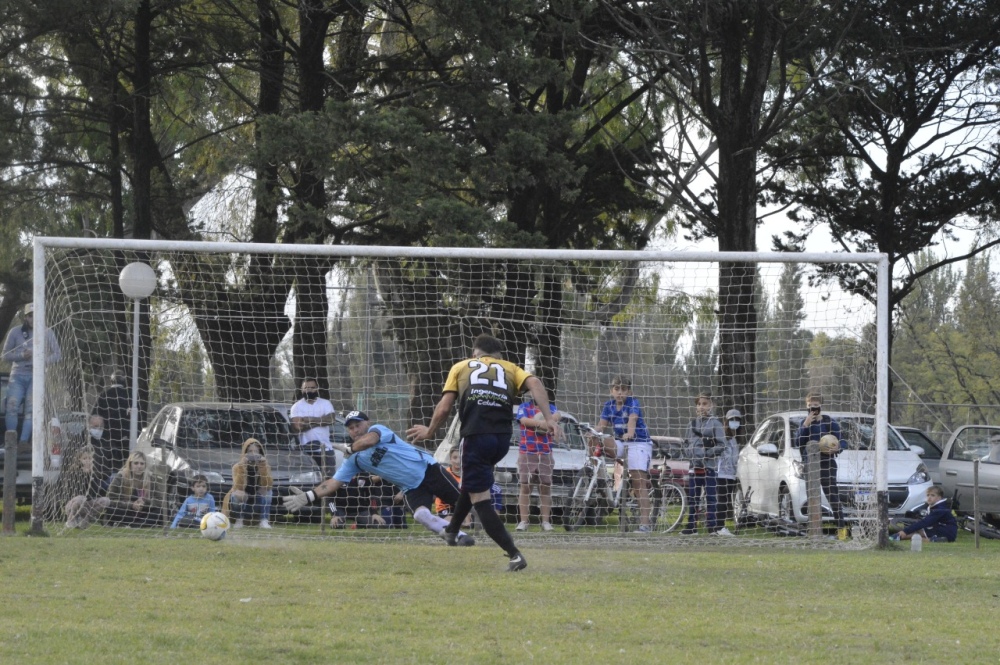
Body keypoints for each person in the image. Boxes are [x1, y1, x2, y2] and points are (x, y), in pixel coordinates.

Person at [406, 333, 561, 572]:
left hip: (476, 436)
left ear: (475, 354)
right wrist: (549, 418)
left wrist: (430, 431)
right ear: (499, 356)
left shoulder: (461, 367)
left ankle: (514, 554)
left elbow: (445, 406)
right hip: (501, 441)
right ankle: (452, 531)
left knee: (481, 500)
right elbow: (536, 384)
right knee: (471, 484)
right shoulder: (511, 368)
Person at [282, 411, 475, 544]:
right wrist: (308, 496)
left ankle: (494, 532)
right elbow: (333, 483)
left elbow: (370, 441)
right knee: (420, 515)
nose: (355, 430)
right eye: (351, 428)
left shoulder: (380, 431)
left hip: (429, 470)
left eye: (358, 425)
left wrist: (350, 448)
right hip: (411, 488)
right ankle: (458, 537)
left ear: (368, 423)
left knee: (467, 504)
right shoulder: (354, 460)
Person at [595, 375, 654, 532]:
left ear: (629, 391)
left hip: (638, 442)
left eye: (623, 389)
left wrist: (630, 433)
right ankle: (595, 473)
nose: (619, 392)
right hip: (621, 442)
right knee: (596, 439)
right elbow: (602, 425)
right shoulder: (609, 405)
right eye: (616, 389)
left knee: (638, 483)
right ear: (611, 391)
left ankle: (645, 525)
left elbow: (632, 419)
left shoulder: (633, 403)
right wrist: (593, 432)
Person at [1, 302, 62, 441]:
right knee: (12, 406)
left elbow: (58, 354)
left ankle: (23, 442)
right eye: (30, 316)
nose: (33, 319)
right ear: (25, 317)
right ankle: (11, 440)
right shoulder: (15, 332)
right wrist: (21, 356)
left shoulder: (48, 332)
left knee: (31, 410)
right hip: (17, 375)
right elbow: (5, 355)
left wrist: (41, 360)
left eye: (36, 315)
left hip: (36, 375)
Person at [794, 391, 848, 541]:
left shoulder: (829, 422)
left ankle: (841, 531)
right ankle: (813, 531)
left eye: (816, 406)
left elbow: (842, 440)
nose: (813, 409)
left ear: (821, 407)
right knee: (812, 498)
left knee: (833, 498)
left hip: (827, 464)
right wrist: (805, 425)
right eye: (810, 406)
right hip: (810, 466)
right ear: (807, 407)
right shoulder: (803, 424)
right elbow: (798, 442)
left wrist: (838, 447)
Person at [681, 392, 727, 535]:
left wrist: (706, 453)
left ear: (711, 405)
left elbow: (722, 444)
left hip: (709, 467)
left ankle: (712, 527)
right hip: (694, 467)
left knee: (711, 497)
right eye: (699, 404)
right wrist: (690, 454)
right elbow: (686, 443)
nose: (701, 407)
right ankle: (691, 526)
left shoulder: (716, 424)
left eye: (705, 404)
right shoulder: (692, 424)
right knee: (693, 497)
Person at [515, 396, 561, 532]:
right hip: (527, 452)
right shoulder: (524, 407)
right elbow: (523, 420)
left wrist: (553, 419)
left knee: (545, 488)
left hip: (545, 453)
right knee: (525, 487)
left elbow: (557, 415)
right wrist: (540, 424)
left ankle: (545, 522)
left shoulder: (550, 409)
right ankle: (523, 521)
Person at [40, 440, 109, 528]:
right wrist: (85, 475)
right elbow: (74, 493)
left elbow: (94, 493)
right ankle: (71, 520)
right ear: (79, 460)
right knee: (81, 498)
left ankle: (85, 518)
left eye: (90, 458)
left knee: (106, 500)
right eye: (85, 459)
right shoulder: (74, 473)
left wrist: (91, 475)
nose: (87, 461)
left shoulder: (95, 473)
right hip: (73, 504)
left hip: (87, 505)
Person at [105, 450, 167, 527]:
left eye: (142, 463)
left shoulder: (151, 478)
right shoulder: (120, 477)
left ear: (145, 465)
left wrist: (145, 503)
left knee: (161, 512)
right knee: (112, 510)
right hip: (126, 511)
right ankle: (139, 524)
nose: (139, 466)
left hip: (143, 512)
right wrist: (131, 505)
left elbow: (160, 501)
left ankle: (135, 525)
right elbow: (110, 499)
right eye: (136, 463)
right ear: (130, 464)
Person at [289, 377, 338, 475]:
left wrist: (307, 419)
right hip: (305, 451)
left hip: (326, 450)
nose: (309, 390)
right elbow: (298, 427)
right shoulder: (296, 406)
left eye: (312, 387)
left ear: (317, 388)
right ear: (302, 389)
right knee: (309, 480)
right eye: (306, 388)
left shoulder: (325, 403)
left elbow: (331, 419)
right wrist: (321, 420)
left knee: (328, 480)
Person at [222, 437, 274, 529]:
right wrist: (243, 467)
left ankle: (264, 520)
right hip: (242, 502)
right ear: (244, 453)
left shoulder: (265, 465)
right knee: (236, 494)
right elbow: (238, 486)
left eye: (256, 451)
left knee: (269, 492)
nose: (253, 454)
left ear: (260, 453)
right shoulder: (237, 467)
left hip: (257, 501)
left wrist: (263, 467)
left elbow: (268, 485)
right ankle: (239, 520)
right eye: (250, 451)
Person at [90, 369, 131, 485]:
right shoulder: (130, 397)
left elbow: (95, 417)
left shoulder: (104, 395)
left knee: (107, 467)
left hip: (106, 441)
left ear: (111, 380)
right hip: (126, 440)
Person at [892, 486, 957, 543]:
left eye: (932, 495)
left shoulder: (940, 509)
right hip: (940, 528)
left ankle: (935, 540)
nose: (929, 497)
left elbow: (925, 522)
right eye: (928, 495)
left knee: (918, 535)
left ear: (939, 498)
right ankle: (897, 537)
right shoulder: (934, 507)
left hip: (947, 532)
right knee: (919, 532)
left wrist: (905, 531)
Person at [716, 408, 743, 528]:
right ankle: (719, 526)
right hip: (722, 474)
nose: (735, 422)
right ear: (726, 421)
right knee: (721, 500)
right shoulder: (723, 437)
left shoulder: (733, 439)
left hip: (731, 475)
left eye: (737, 420)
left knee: (726, 501)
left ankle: (720, 525)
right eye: (732, 420)